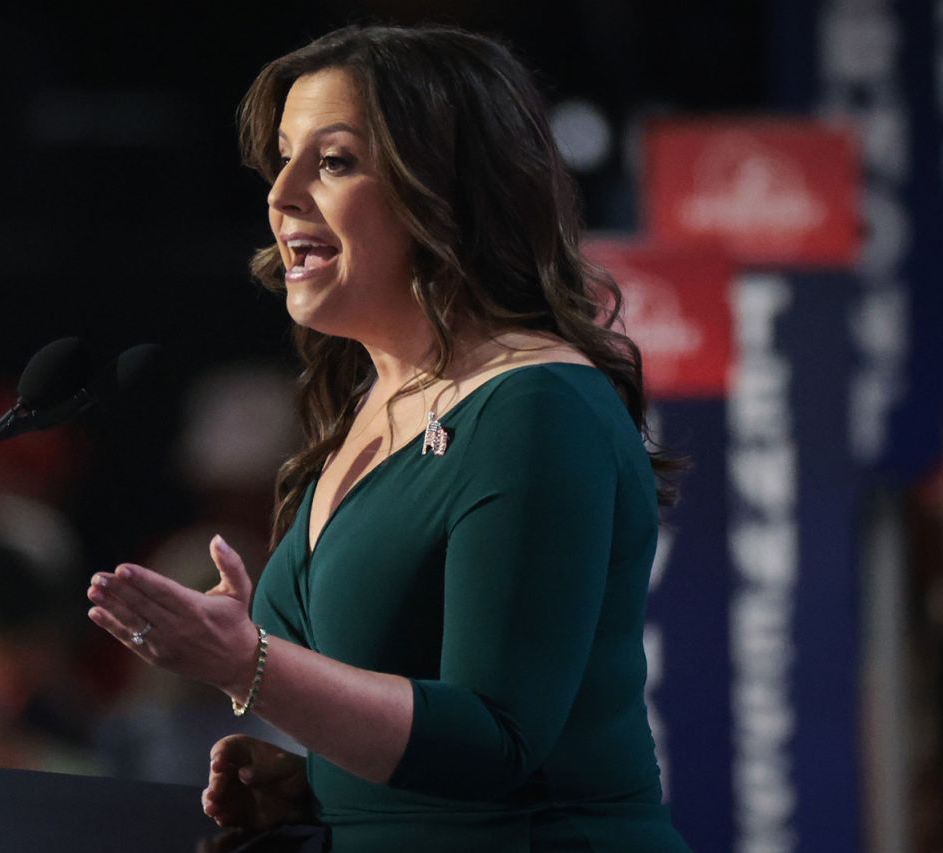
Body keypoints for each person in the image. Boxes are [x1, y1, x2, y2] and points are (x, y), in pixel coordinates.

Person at [85, 23, 690, 852]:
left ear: (446, 190)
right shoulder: (376, 399)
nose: (282, 192)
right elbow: (409, 710)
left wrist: (248, 663)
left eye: (333, 162)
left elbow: (495, 741)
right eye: (284, 158)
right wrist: (319, 783)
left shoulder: (535, 407)